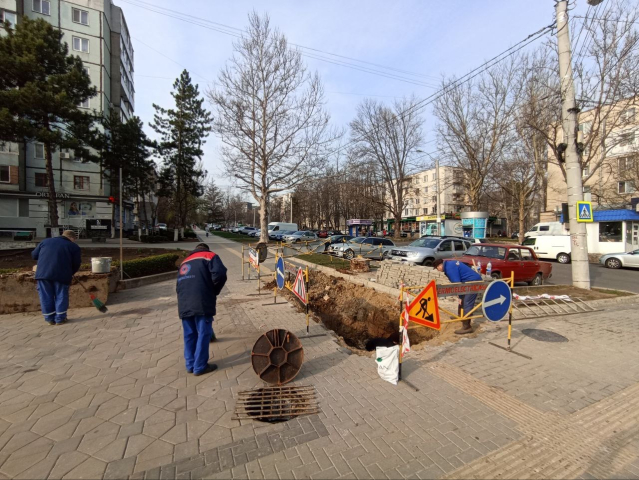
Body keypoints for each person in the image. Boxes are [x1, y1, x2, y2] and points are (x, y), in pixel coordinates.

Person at [176, 243, 227, 376]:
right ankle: (200, 366)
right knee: (203, 333)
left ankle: (190, 364)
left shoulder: (184, 262)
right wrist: (213, 291)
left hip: (184, 302)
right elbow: (220, 275)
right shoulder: (210, 256)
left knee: (189, 334)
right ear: (206, 249)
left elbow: (178, 285)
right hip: (202, 301)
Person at [32, 230, 82, 325]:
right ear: (72, 238)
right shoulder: (73, 246)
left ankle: (49, 318)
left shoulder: (45, 242)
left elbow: (34, 255)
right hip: (62, 274)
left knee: (45, 296)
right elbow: (76, 263)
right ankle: (60, 318)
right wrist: (71, 272)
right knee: (61, 295)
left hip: (43, 274)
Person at [433, 258, 482, 335]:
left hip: (473, 282)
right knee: (462, 299)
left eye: (437, 268)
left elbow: (457, 284)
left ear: (440, 265)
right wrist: (460, 296)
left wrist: (459, 296)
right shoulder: (449, 265)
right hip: (467, 282)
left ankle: (467, 327)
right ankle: (460, 316)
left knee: (467, 302)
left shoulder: (449, 268)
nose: (437, 269)